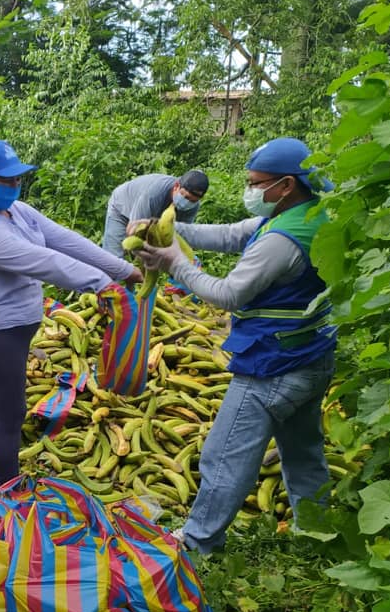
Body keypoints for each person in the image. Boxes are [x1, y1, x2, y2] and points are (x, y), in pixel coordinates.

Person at [134, 137, 337, 554]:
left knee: (224, 454)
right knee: (303, 452)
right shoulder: (306, 214)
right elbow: (230, 235)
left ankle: (198, 542)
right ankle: (317, 535)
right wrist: (168, 232)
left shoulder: (281, 241)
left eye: (255, 183)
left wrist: (176, 264)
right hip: (312, 354)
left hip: (274, 364)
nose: (250, 190)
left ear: (285, 185)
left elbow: (228, 294)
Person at [0, 140, 144, 485]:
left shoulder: (18, 212)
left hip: (15, 327)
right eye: (7, 180)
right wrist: (100, 284)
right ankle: (11, 494)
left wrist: (121, 270)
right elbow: (41, 260)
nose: (15, 185)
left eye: (18, 178)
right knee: (10, 415)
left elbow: (66, 241)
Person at [103, 170, 210, 258]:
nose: (187, 202)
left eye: (192, 201)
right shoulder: (154, 195)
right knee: (113, 258)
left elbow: (180, 234)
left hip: (151, 219)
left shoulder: (192, 207)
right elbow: (133, 229)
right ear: (177, 186)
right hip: (121, 207)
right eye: (185, 196)